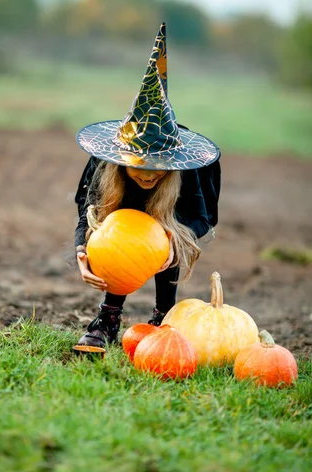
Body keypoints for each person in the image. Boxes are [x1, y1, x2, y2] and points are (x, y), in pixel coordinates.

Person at [74, 23, 221, 347]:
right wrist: (82, 251)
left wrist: (173, 241)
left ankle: (163, 317)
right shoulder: (105, 165)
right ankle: (109, 316)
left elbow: (201, 218)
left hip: (171, 223)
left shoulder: (187, 170)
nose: (149, 174)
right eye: (140, 167)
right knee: (117, 236)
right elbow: (88, 212)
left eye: (159, 169)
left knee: (172, 231)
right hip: (122, 218)